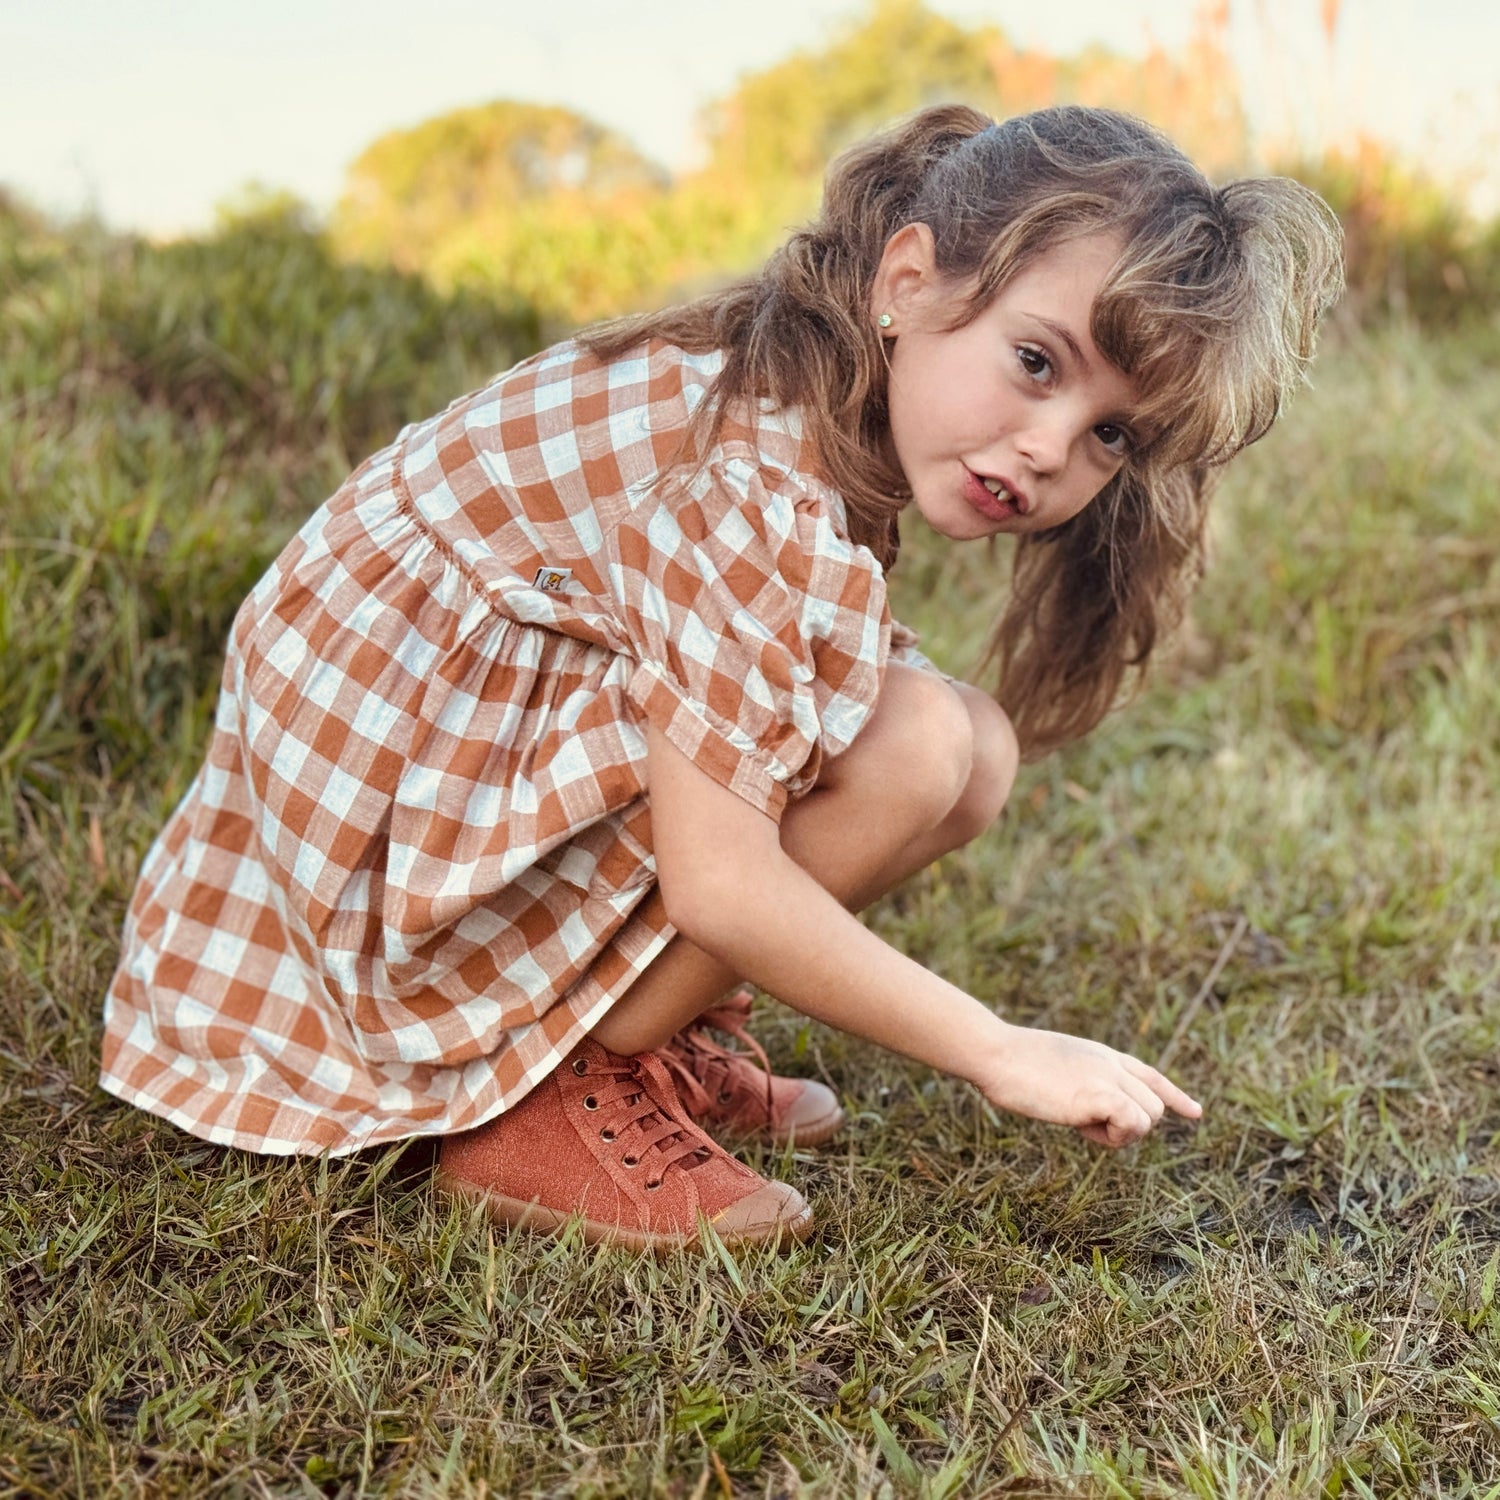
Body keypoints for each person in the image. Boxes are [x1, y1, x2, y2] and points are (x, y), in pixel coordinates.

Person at [99, 104, 1343, 1253]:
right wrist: (999, 1048)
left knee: (973, 751)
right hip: (385, 796)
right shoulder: (746, 478)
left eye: (1109, 432)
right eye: (1036, 362)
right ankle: (550, 1093)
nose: (1049, 446)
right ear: (909, 283)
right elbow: (724, 882)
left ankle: (637, 1031)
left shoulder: (818, 394)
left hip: (442, 738)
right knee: (916, 745)